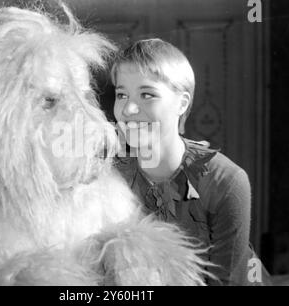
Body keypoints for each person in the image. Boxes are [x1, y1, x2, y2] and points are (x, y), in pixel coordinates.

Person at [111, 38, 271, 285]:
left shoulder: (227, 182)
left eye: (147, 94)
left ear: (182, 104)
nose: (128, 108)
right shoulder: (107, 175)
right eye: (121, 94)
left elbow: (224, 281)